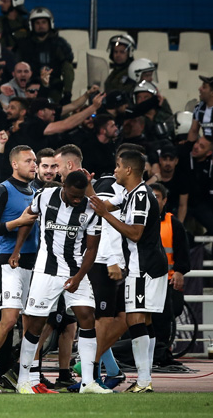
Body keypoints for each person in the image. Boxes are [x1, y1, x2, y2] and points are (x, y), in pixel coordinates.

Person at [12, 171, 110, 393]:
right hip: (46, 270)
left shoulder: (91, 209)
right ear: (63, 186)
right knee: (35, 324)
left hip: (75, 270)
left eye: (80, 196)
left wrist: (79, 277)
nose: (77, 200)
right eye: (73, 195)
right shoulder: (44, 196)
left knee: (87, 316)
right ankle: (23, 380)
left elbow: (92, 248)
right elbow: (28, 219)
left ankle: (87, 382)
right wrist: (17, 250)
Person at [89, 150, 169, 393]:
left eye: (117, 166)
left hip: (144, 265)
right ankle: (145, 379)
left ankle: (143, 381)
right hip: (143, 264)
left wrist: (105, 215)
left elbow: (135, 233)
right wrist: (88, 187)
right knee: (144, 319)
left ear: (129, 170)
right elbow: (102, 206)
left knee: (135, 318)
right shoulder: (129, 194)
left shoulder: (141, 196)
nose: (114, 170)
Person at [0, 145, 41, 394]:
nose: (34, 165)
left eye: (34, 161)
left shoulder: (37, 191)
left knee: (32, 324)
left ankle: (27, 379)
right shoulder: (2, 190)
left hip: (33, 264)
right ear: (14, 164)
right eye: (28, 161)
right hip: (8, 261)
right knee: (9, 320)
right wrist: (17, 222)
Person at [149, 182, 191, 366]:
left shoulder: (173, 223)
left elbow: (183, 251)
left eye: (157, 197)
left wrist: (180, 272)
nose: (153, 200)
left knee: (166, 316)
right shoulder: (136, 220)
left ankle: (161, 353)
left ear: (165, 200)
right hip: (143, 280)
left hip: (167, 280)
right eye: (150, 196)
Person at [16, 7, 75, 104]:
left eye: (44, 22)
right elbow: (16, 67)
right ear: (31, 25)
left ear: (50, 23)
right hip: (29, 88)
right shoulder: (24, 45)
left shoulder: (59, 44)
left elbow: (68, 69)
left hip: (53, 88)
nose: (41, 26)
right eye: (37, 23)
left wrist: (67, 92)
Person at [188, 75, 213, 142]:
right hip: (205, 145)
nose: (199, 88)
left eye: (204, 87)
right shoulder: (199, 108)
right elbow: (193, 131)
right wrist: (188, 145)